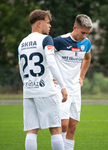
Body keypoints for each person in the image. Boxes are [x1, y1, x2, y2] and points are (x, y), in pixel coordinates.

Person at [18, 10, 68, 150]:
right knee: (55, 129)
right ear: (39, 24)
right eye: (48, 22)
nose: (50, 25)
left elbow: (22, 71)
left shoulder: (22, 43)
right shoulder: (46, 39)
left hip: (29, 91)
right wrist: (63, 87)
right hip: (46, 91)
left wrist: (28, 85)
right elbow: (51, 63)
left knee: (32, 130)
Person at [53, 14, 93, 150]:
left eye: (87, 33)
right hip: (60, 88)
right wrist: (48, 76)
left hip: (75, 89)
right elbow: (46, 58)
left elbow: (87, 58)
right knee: (63, 124)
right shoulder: (59, 41)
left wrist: (81, 77)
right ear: (75, 27)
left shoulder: (86, 43)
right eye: (83, 32)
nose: (85, 36)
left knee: (72, 127)